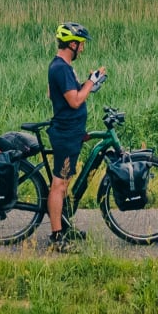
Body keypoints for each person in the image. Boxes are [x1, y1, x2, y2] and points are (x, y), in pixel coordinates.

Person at [46, 21, 107, 249]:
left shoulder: (61, 66)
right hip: (65, 134)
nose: (82, 48)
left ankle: (63, 226)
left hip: (70, 132)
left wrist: (88, 83)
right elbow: (74, 101)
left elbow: (54, 93)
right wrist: (91, 82)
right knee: (59, 185)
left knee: (64, 182)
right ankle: (56, 237)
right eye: (80, 44)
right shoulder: (61, 68)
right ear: (71, 44)